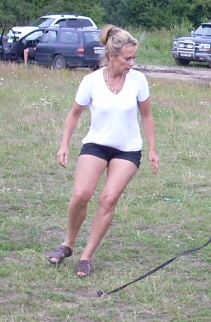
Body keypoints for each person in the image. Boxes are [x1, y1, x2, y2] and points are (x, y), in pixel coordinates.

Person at [47, 24, 160, 277]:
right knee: (81, 195)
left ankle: (86, 257)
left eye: (134, 58)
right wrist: (64, 144)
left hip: (127, 150)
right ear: (112, 56)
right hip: (96, 144)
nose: (132, 63)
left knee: (107, 199)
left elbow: (147, 116)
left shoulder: (138, 80)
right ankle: (67, 244)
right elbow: (74, 114)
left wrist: (152, 149)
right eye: (127, 58)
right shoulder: (91, 81)